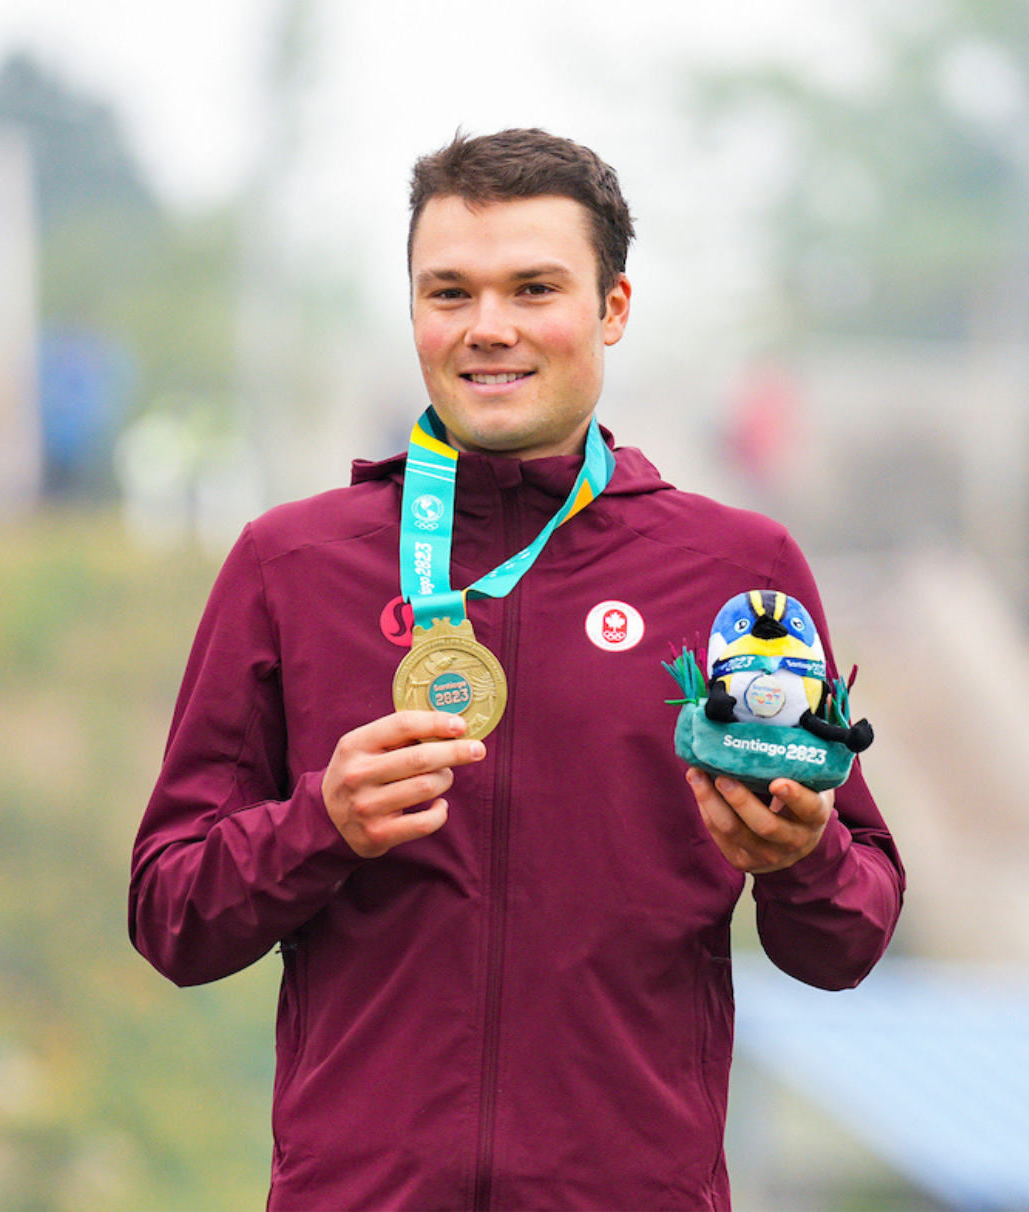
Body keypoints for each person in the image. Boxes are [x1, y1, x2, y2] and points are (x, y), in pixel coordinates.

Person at [128, 129, 904, 1210]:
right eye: (449, 291)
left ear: (613, 309)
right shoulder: (288, 562)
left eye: (534, 287)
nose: (487, 328)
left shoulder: (742, 575)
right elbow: (172, 914)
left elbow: (849, 938)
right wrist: (320, 824)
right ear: (413, 312)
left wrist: (803, 857)